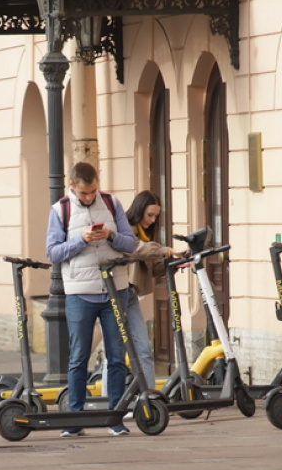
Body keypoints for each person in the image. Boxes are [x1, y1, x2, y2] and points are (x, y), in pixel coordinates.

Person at [46, 162, 137, 437]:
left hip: (115, 290)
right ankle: (74, 420)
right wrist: (81, 240)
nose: (89, 197)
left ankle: (115, 418)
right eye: (84, 193)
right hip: (79, 293)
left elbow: (130, 244)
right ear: (72, 186)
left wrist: (110, 235)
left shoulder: (111, 203)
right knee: (78, 357)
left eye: (93, 191)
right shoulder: (60, 210)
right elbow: (52, 252)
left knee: (116, 356)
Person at [107, 190, 185, 387]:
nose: (152, 220)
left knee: (143, 351)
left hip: (130, 295)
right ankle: (110, 400)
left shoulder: (144, 234)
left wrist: (173, 264)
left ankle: (149, 398)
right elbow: (137, 249)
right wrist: (167, 251)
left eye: (156, 216)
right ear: (139, 210)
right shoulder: (125, 231)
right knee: (117, 353)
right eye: (150, 215)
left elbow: (149, 270)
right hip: (117, 293)